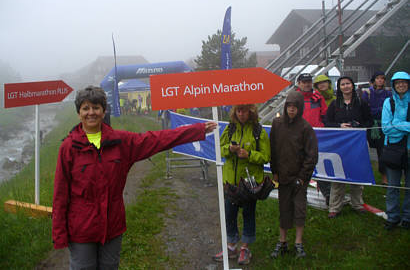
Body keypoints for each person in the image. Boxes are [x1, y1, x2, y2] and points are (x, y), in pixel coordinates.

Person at [52, 86, 217, 269]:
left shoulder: (120, 142)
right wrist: (59, 234)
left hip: (112, 227)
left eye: (96, 107)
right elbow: (60, 194)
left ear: (104, 111)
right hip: (81, 229)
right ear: (78, 113)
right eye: (86, 108)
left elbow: (157, 139)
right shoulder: (68, 147)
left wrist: (197, 130)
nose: (91, 113)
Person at [213, 104, 270, 265]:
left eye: (244, 110)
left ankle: (245, 248)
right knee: (229, 214)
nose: (241, 114)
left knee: (248, 214)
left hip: (249, 184)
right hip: (230, 181)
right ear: (234, 112)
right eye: (238, 111)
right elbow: (219, 149)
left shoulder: (258, 131)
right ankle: (231, 247)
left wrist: (249, 154)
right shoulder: (230, 128)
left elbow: (266, 156)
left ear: (251, 111)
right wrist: (229, 149)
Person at [269, 91, 318, 259]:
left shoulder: (306, 128)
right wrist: (274, 170)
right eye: (289, 106)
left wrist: (303, 178)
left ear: (300, 108)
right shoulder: (277, 124)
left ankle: (298, 243)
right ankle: (282, 242)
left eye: (295, 107)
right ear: (285, 107)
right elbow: (273, 149)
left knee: (299, 210)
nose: (291, 110)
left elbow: (312, 156)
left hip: (299, 178)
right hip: (282, 176)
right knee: (284, 209)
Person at [325, 76, 373, 218]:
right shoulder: (334, 104)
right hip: (340, 145)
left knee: (357, 173)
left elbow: (369, 121)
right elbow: (327, 122)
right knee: (338, 174)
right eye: (342, 84)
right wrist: (339, 125)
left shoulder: (361, 103)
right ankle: (335, 207)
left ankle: (357, 203)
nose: (345, 86)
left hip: (357, 144)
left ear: (352, 86)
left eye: (348, 84)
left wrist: (359, 126)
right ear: (339, 87)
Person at [381, 71, 409, 230]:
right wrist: (407, 126)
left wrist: (396, 123)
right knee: (393, 185)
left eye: (404, 82)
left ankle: (407, 216)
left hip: (409, 149)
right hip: (393, 149)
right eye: (397, 82)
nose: (401, 85)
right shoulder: (388, 102)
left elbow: (392, 125)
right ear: (393, 85)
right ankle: (392, 216)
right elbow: (386, 128)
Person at [362, 71, 391, 185]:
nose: (380, 80)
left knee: (382, 151)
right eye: (378, 78)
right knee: (365, 150)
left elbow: (390, 108)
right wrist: (379, 109)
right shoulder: (367, 93)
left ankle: (384, 177)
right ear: (374, 80)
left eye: (382, 78)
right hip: (370, 124)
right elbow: (365, 109)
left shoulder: (388, 93)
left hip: (383, 125)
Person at [313, 74, 336, 205]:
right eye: (319, 83)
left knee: (333, 163)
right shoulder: (314, 99)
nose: (322, 85)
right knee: (320, 163)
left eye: (324, 82)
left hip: (333, 134)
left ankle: (335, 191)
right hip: (319, 135)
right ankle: (326, 192)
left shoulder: (335, 98)